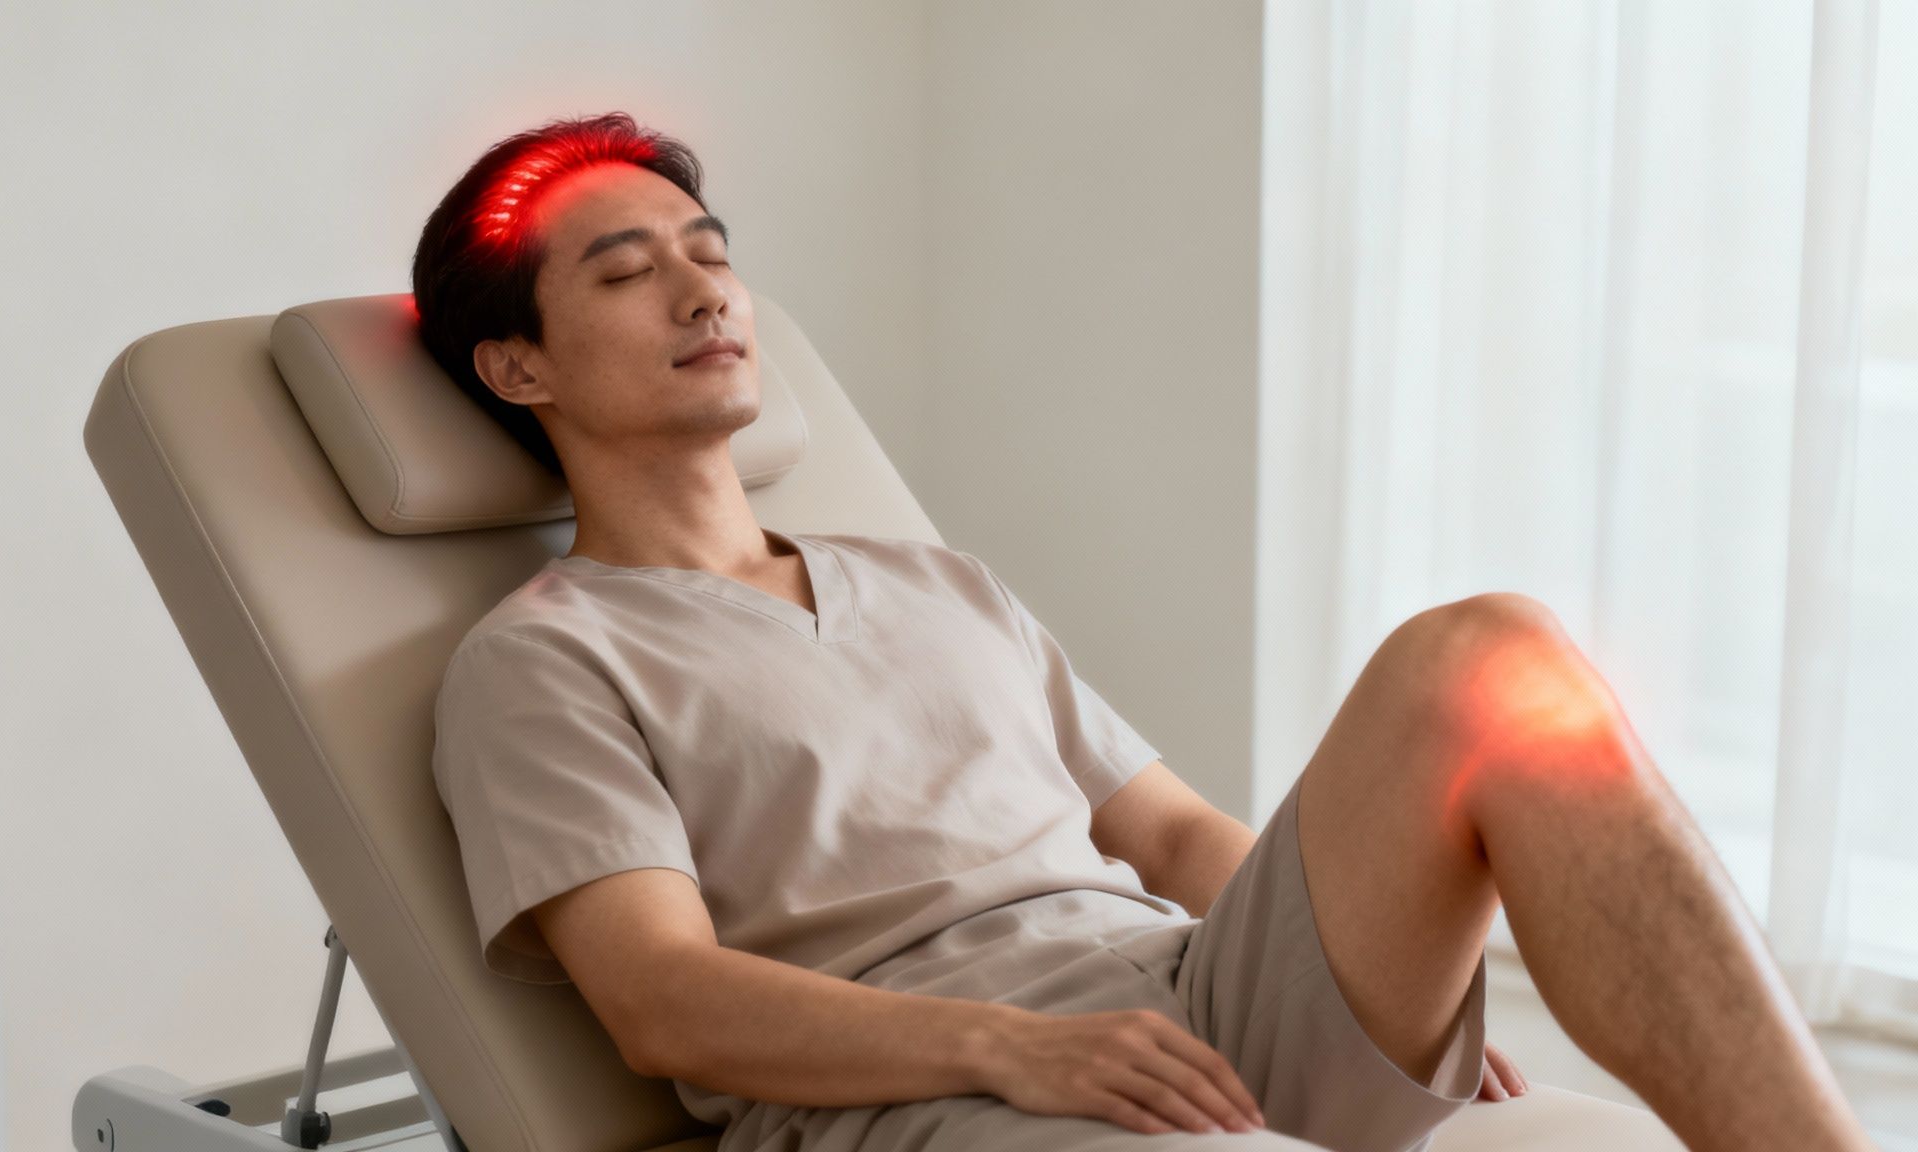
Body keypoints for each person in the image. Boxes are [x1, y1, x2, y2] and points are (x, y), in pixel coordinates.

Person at [411, 112, 1876, 1152]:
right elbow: (663, 1004)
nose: (702, 288)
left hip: (1175, 1000)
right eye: (624, 270)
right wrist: (1017, 1048)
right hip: (924, 1086)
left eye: (708, 250)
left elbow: (1174, 839)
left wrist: (1374, 983)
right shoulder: (546, 661)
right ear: (517, 361)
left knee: (1491, 656)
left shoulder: (935, 582)